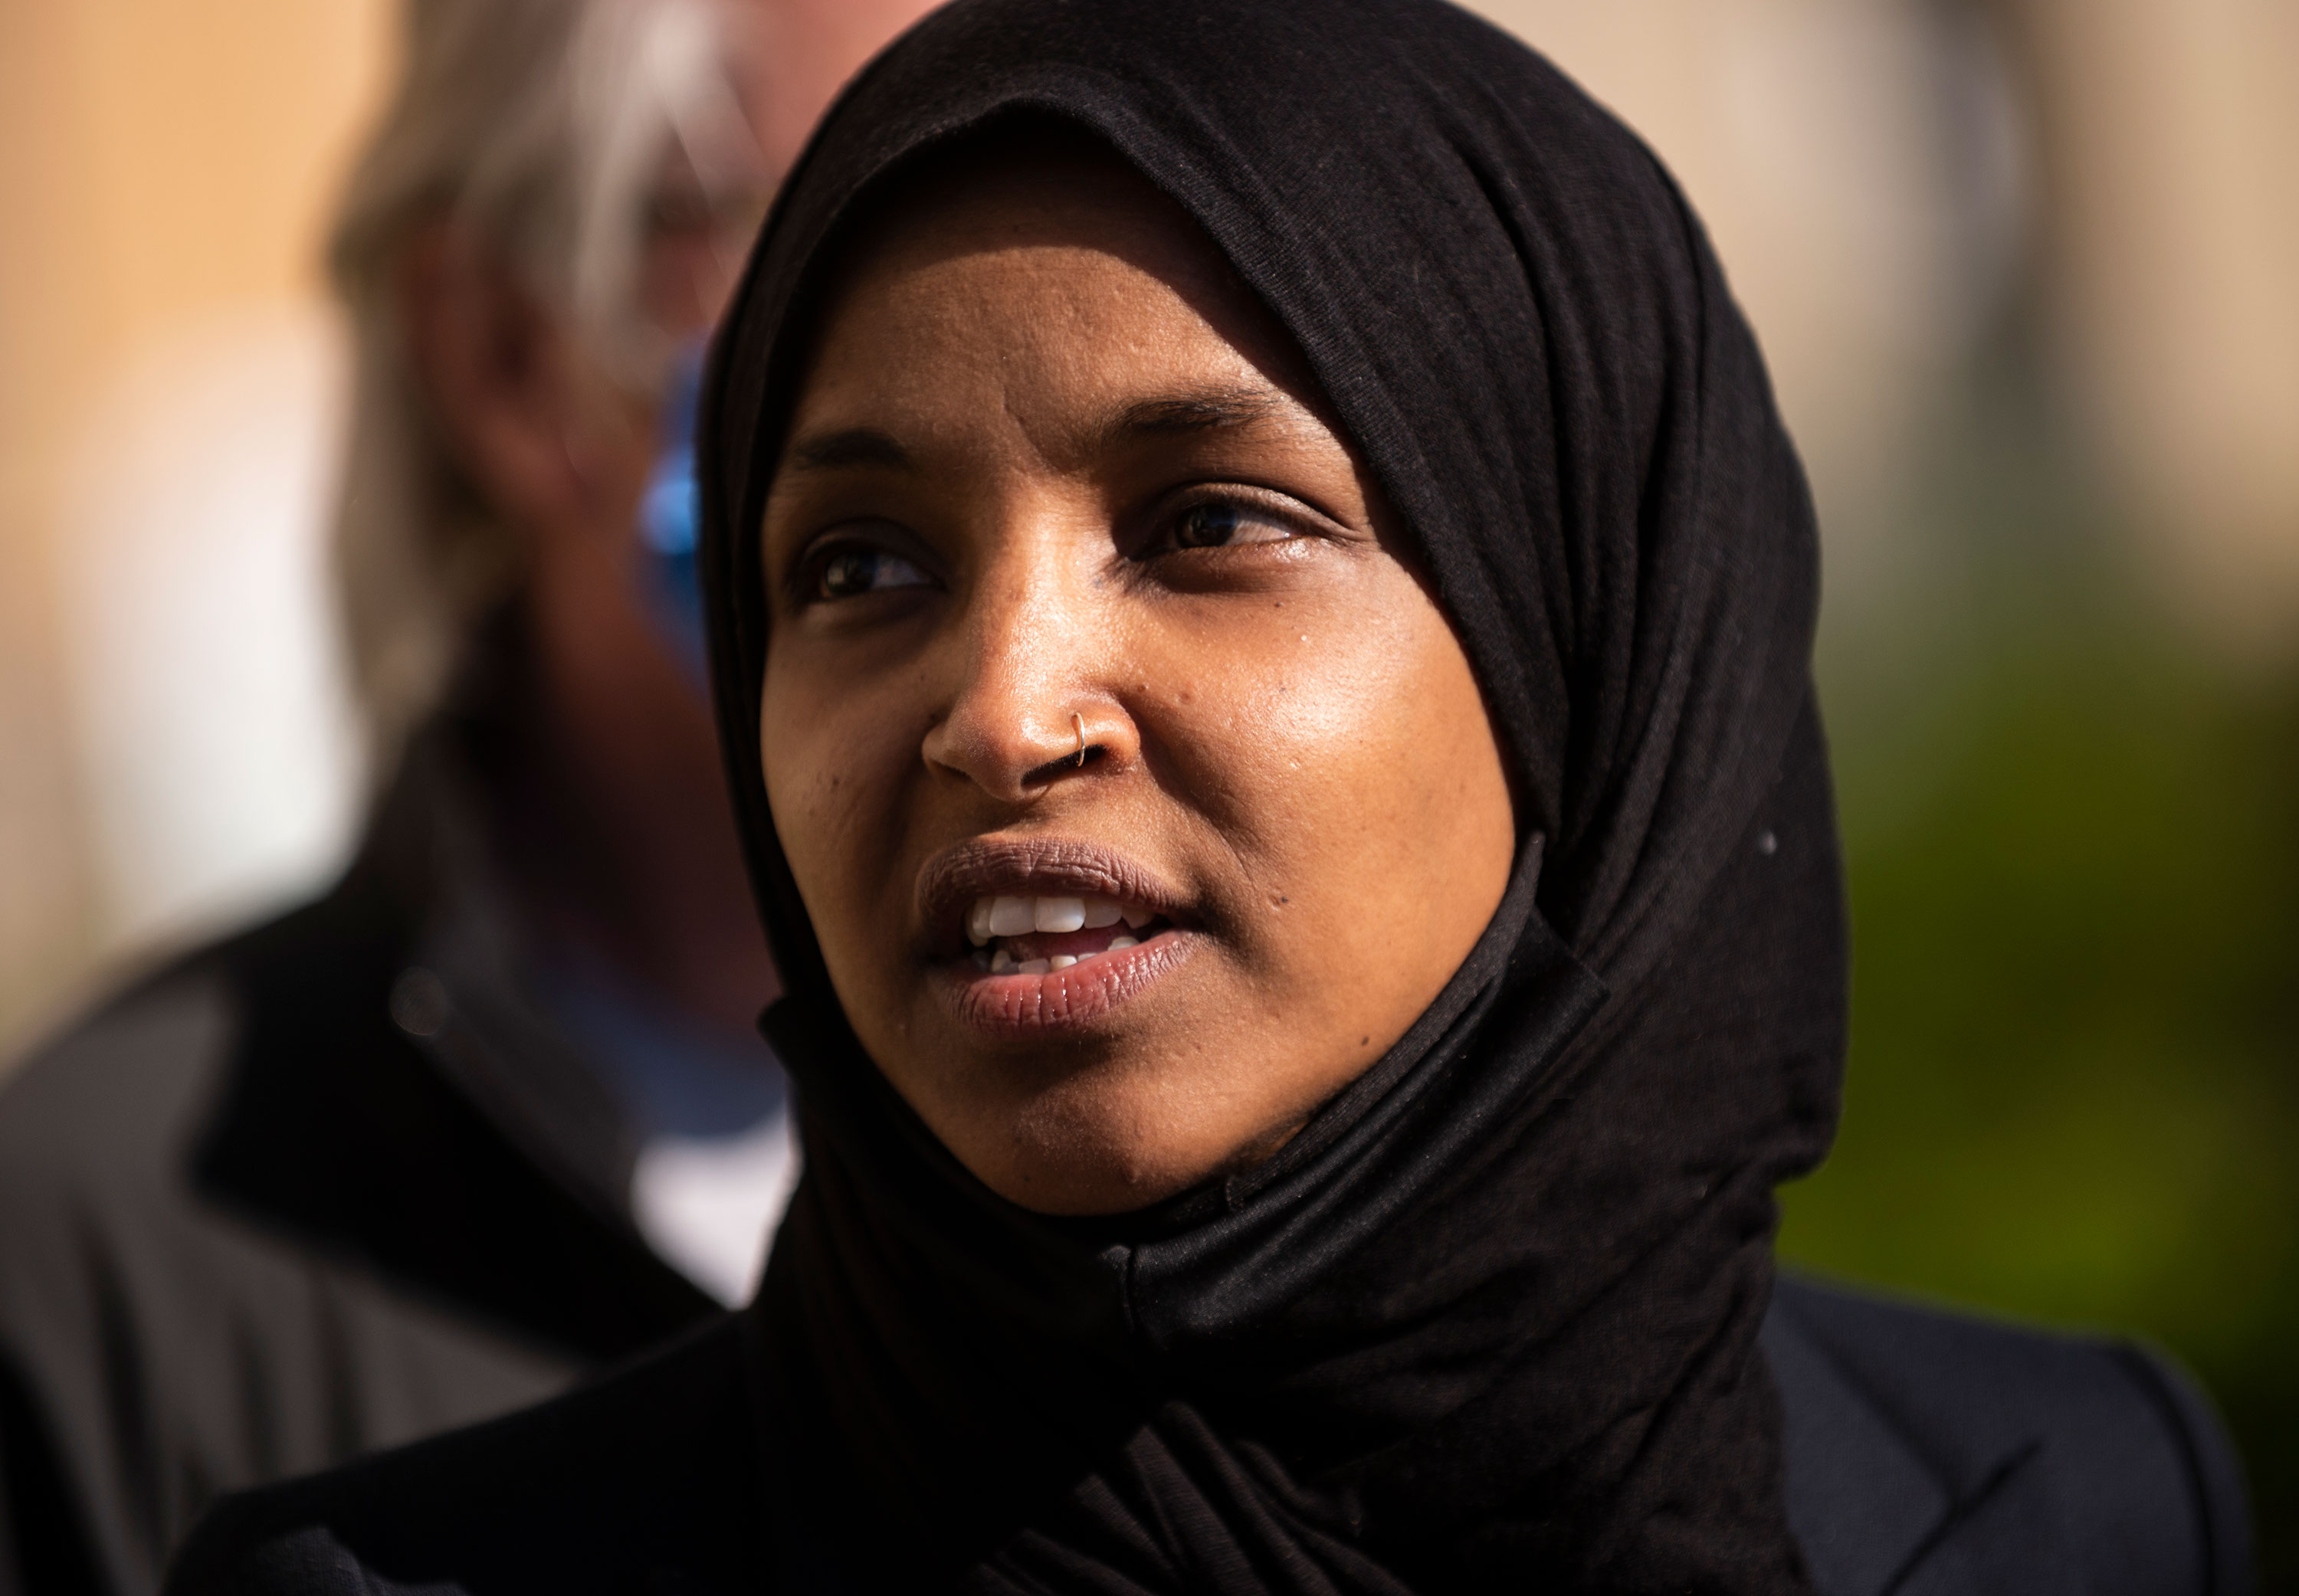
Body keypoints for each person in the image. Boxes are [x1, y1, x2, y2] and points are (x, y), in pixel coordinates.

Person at [163, 0, 2255, 1591]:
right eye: (859, 567)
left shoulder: (2075, 1502)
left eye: (1207, 523)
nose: (1002, 707)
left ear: (1587, 644)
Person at [0, 2, 931, 1592]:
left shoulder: (1265, 1110)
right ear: (509, 352)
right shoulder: (90, 1252)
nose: (1029, 330)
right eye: (878, 218)